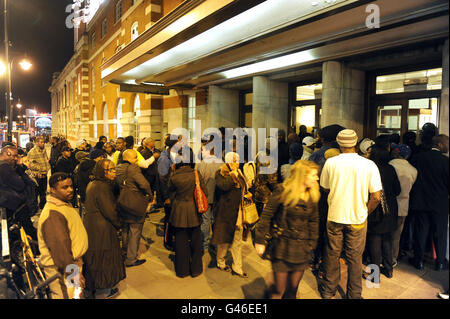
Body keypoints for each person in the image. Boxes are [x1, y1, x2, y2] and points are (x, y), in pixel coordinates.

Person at [319, 129, 382, 299]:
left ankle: (328, 291)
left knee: (332, 254)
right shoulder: (369, 164)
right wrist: (365, 211)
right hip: (358, 218)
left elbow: (324, 188)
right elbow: (376, 197)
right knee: (355, 258)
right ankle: (354, 295)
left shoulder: (331, 163)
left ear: (339, 143)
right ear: (355, 144)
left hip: (334, 216)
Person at [255, 160, 320, 299]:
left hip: (302, 249)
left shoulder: (313, 194)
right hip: (282, 246)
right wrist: (260, 240)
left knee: (292, 290)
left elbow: (314, 221)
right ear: (302, 176)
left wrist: (311, 243)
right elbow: (267, 215)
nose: (317, 178)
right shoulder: (282, 190)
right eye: (313, 175)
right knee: (278, 288)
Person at [37, 173, 88, 299]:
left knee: (75, 295)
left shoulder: (62, 204)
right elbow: (60, 250)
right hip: (62, 270)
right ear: (53, 190)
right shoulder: (53, 214)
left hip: (70, 264)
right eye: (64, 188)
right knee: (67, 296)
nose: (70, 190)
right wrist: (73, 273)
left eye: (71, 186)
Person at [83, 159, 125, 299]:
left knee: (96, 258)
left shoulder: (94, 183)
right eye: (110, 170)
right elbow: (110, 211)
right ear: (103, 172)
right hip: (102, 229)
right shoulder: (101, 186)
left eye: (114, 169)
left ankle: (94, 289)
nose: (114, 172)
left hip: (93, 227)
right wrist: (119, 223)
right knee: (104, 259)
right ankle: (104, 291)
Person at [409, 134, 449, 271]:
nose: (448, 146)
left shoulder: (417, 159)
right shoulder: (446, 161)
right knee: (440, 233)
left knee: (421, 231)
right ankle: (440, 262)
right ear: (439, 144)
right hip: (440, 203)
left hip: (421, 201)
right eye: (447, 143)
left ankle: (418, 260)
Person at [211, 152, 251, 278]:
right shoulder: (220, 173)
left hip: (238, 212)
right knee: (224, 240)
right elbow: (223, 186)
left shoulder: (239, 172)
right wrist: (232, 176)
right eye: (234, 161)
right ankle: (220, 261)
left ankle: (237, 267)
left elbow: (244, 187)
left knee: (237, 241)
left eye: (237, 160)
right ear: (228, 162)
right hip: (225, 213)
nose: (237, 163)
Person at [168, 148, 206, 278]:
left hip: (178, 211)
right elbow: (203, 190)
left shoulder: (174, 176)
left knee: (180, 242)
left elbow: (170, 192)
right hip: (194, 211)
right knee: (196, 241)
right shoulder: (196, 174)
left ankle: (182, 270)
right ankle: (196, 269)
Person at [366, 146, 401, 279]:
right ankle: (388, 270)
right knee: (387, 240)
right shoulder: (391, 169)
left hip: (376, 209)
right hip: (391, 209)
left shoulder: (371, 169)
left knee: (374, 242)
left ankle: (374, 276)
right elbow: (398, 190)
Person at [116, 149, 153, 267]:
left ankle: (124, 253)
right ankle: (131, 259)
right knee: (135, 230)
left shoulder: (118, 168)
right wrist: (150, 196)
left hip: (122, 202)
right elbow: (144, 184)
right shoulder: (133, 168)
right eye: (135, 158)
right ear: (128, 158)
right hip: (134, 203)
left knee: (125, 229)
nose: (137, 160)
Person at [388, 144, 417, 267]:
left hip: (388, 205)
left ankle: (380, 258)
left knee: (383, 234)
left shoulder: (390, 165)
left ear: (396, 152)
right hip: (403, 205)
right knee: (396, 235)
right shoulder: (413, 170)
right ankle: (393, 259)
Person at [195, 146, 222, 253]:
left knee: (205, 221)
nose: (201, 151)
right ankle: (215, 244)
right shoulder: (221, 163)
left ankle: (205, 244)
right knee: (216, 221)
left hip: (205, 197)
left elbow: (198, 180)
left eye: (203, 150)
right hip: (217, 197)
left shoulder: (202, 164)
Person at [27, 136, 52, 210]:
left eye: (43, 142)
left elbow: (46, 160)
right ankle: (34, 208)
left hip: (44, 174)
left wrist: (47, 168)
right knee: (35, 193)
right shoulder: (32, 152)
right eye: (41, 142)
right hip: (37, 176)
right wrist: (40, 169)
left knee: (43, 192)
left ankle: (43, 206)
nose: (43, 143)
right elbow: (31, 164)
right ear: (36, 143)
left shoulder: (44, 150)